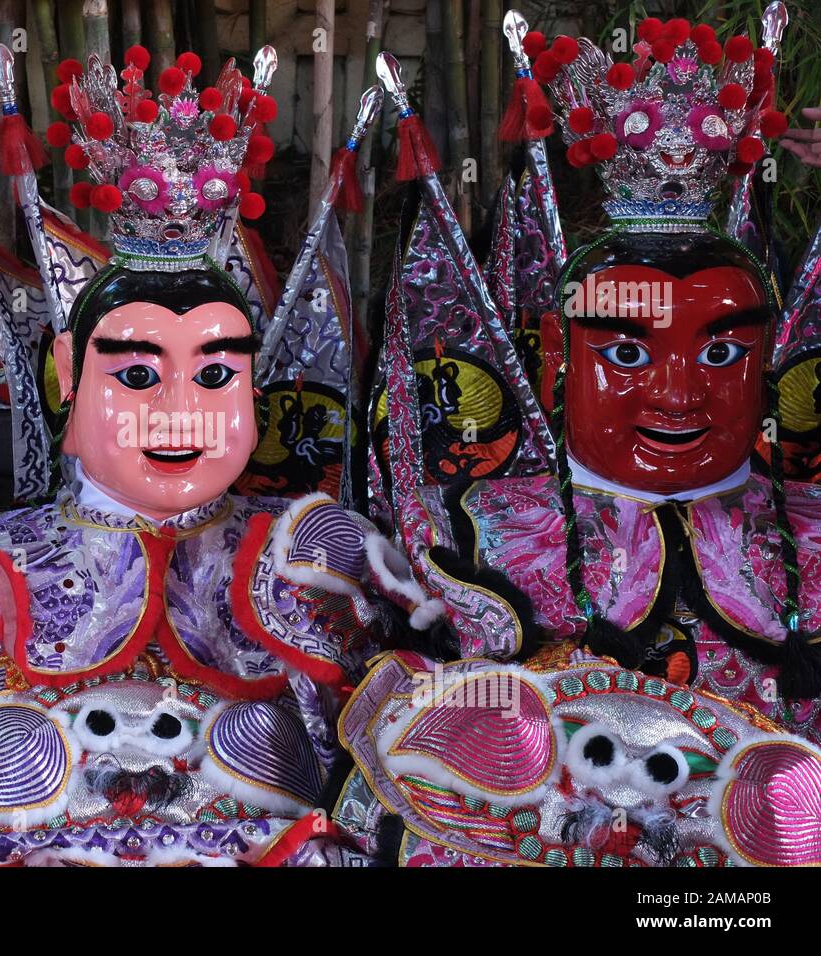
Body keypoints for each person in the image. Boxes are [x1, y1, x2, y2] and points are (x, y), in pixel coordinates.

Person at [0, 44, 437, 867]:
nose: (180, 412)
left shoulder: (324, 561)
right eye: (137, 373)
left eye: (215, 374)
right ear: (68, 374)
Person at [337, 16, 821, 867]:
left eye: (720, 351)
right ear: (562, 357)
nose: (678, 392)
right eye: (628, 352)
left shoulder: (806, 539)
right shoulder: (479, 531)